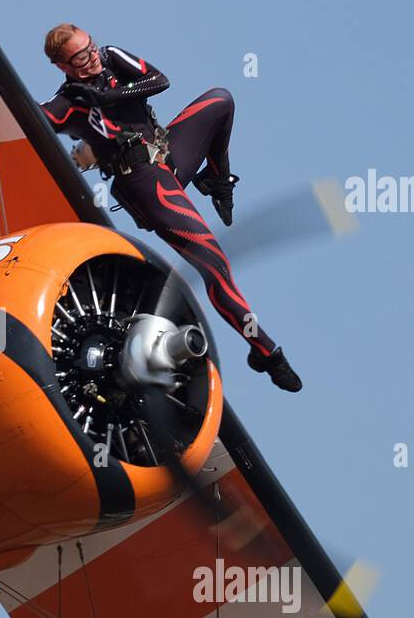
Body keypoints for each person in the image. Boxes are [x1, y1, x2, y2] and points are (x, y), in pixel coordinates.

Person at [40, 23, 301, 392]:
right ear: (64, 66)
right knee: (215, 264)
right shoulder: (69, 101)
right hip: (143, 183)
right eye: (82, 55)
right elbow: (32, 116)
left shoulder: (112, 58)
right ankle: (265, 352)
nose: (93, 56)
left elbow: (160, 81)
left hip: (167, 156)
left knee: (221, 100)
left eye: (91, 46)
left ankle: (217, 180)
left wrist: (109, 98)